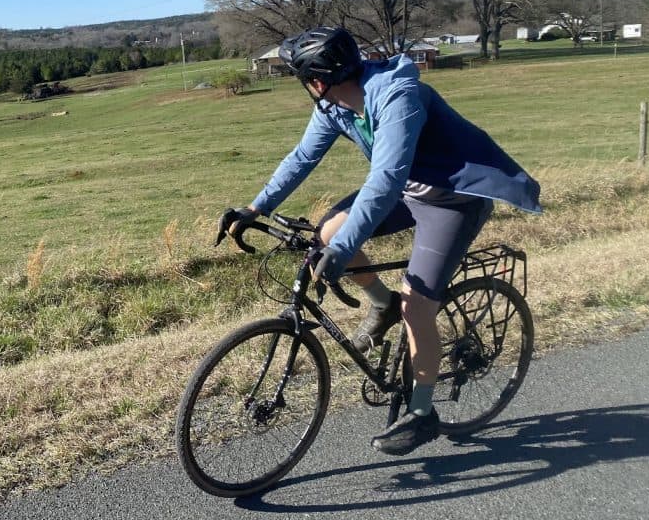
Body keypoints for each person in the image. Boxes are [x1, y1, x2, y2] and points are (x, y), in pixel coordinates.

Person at [224, 26, 541, 456]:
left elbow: (385, 180)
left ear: (316, 80)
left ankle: (423, 411)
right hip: (409, 191)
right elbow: (302, 158)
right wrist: (254, 209)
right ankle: (381, 303)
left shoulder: (396, 96)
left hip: (453, 201)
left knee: (417, 304)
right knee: (329, 231)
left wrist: (342, 252)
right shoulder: (335, 105)